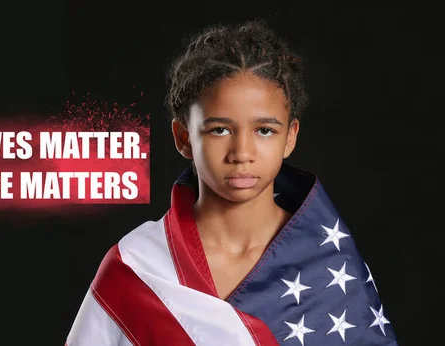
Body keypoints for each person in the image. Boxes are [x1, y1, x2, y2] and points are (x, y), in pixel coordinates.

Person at [65, 19, 399, 345]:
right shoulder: (136, 266)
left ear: (290, 137)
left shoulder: (327, 263)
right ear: (183, 138)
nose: (242, 153)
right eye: (219, 129)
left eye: (264, 130)